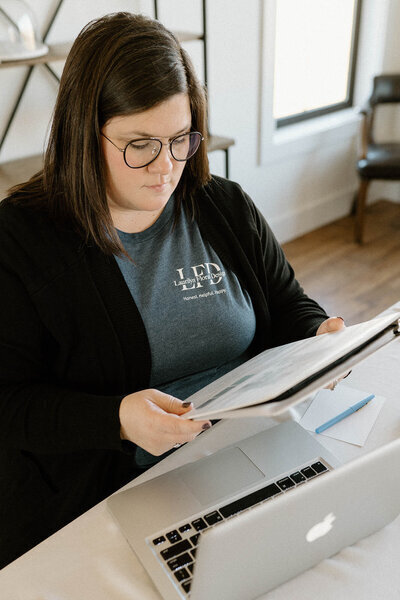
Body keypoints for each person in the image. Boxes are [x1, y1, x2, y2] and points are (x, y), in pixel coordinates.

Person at [0, 12, 344, 569]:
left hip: (248, 458)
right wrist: (116, 418)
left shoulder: (223, 205)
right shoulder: (20, 240)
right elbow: (8, 402)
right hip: (112, 492)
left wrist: (317, 332)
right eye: (140, 145)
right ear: (84, 134)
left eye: (180, 138)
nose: (167, 168)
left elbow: (287, 306)